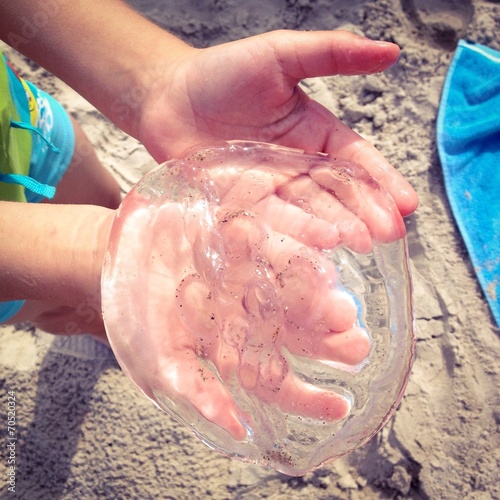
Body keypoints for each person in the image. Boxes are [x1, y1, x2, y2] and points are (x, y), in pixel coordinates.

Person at [0, 1, 418, 427]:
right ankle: (92, 320)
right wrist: (87, 252)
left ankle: (103, 310)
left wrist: (159, 81)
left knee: (104, 205)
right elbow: (89, 254)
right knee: (55, 298)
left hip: (25, 130)